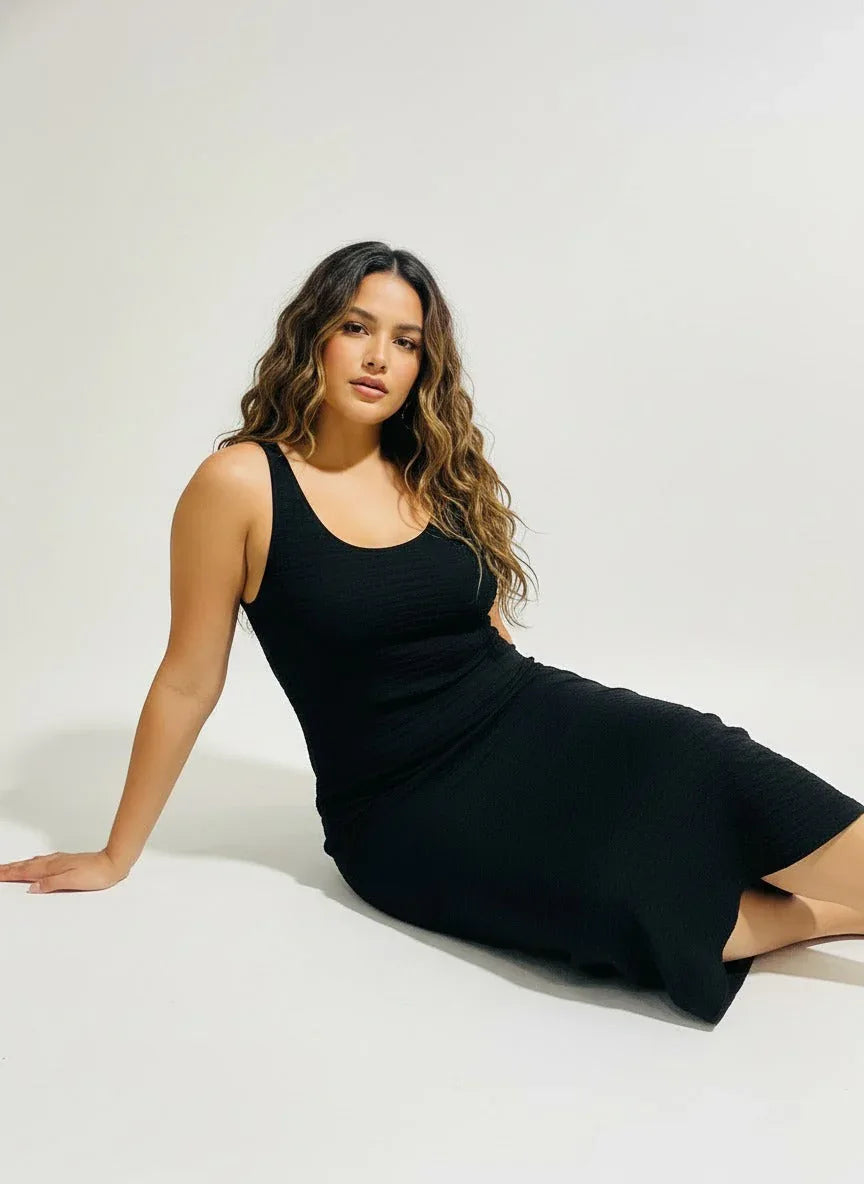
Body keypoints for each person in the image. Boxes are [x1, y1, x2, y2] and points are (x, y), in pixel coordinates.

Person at [3, 240, 864, 1025]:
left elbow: (484, 641)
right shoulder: (240, 484)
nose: (380, 357)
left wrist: (586, 750)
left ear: (425, 363)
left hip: (521, 716)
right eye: (356, 327)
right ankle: (840, 912)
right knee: (620, 903)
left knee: (704, 755)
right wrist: (118, 855)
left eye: (406, 341)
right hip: (401, 808)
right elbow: (190, 678)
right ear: (314, 337)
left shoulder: (435, 469)